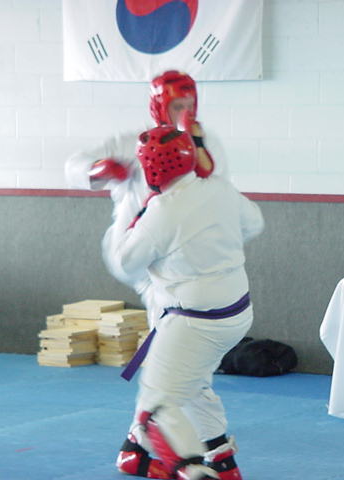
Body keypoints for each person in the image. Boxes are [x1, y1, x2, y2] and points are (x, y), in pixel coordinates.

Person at [109, 126, 264, 480]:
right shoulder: (220, 189)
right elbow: (254, 223)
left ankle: (190, 469)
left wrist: (121, 200)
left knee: (156, 406)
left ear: (150, 168)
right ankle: (219, 461)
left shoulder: (163, 211)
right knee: (191, 382)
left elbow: (123, 263)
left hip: (193, 321)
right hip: (236, 314)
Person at [65, 70, 226, 328]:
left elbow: (215, 187)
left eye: (190, 106)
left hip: (182, 245)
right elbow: (73, 166)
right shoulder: (132, 143)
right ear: (159, 107)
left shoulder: (207, 144)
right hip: (135, 242)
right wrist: (97, 169)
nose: (185, 113)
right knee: (164, 306)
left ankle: (167, 348)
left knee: (180, 316)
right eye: (178, 107)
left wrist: (196, 145)